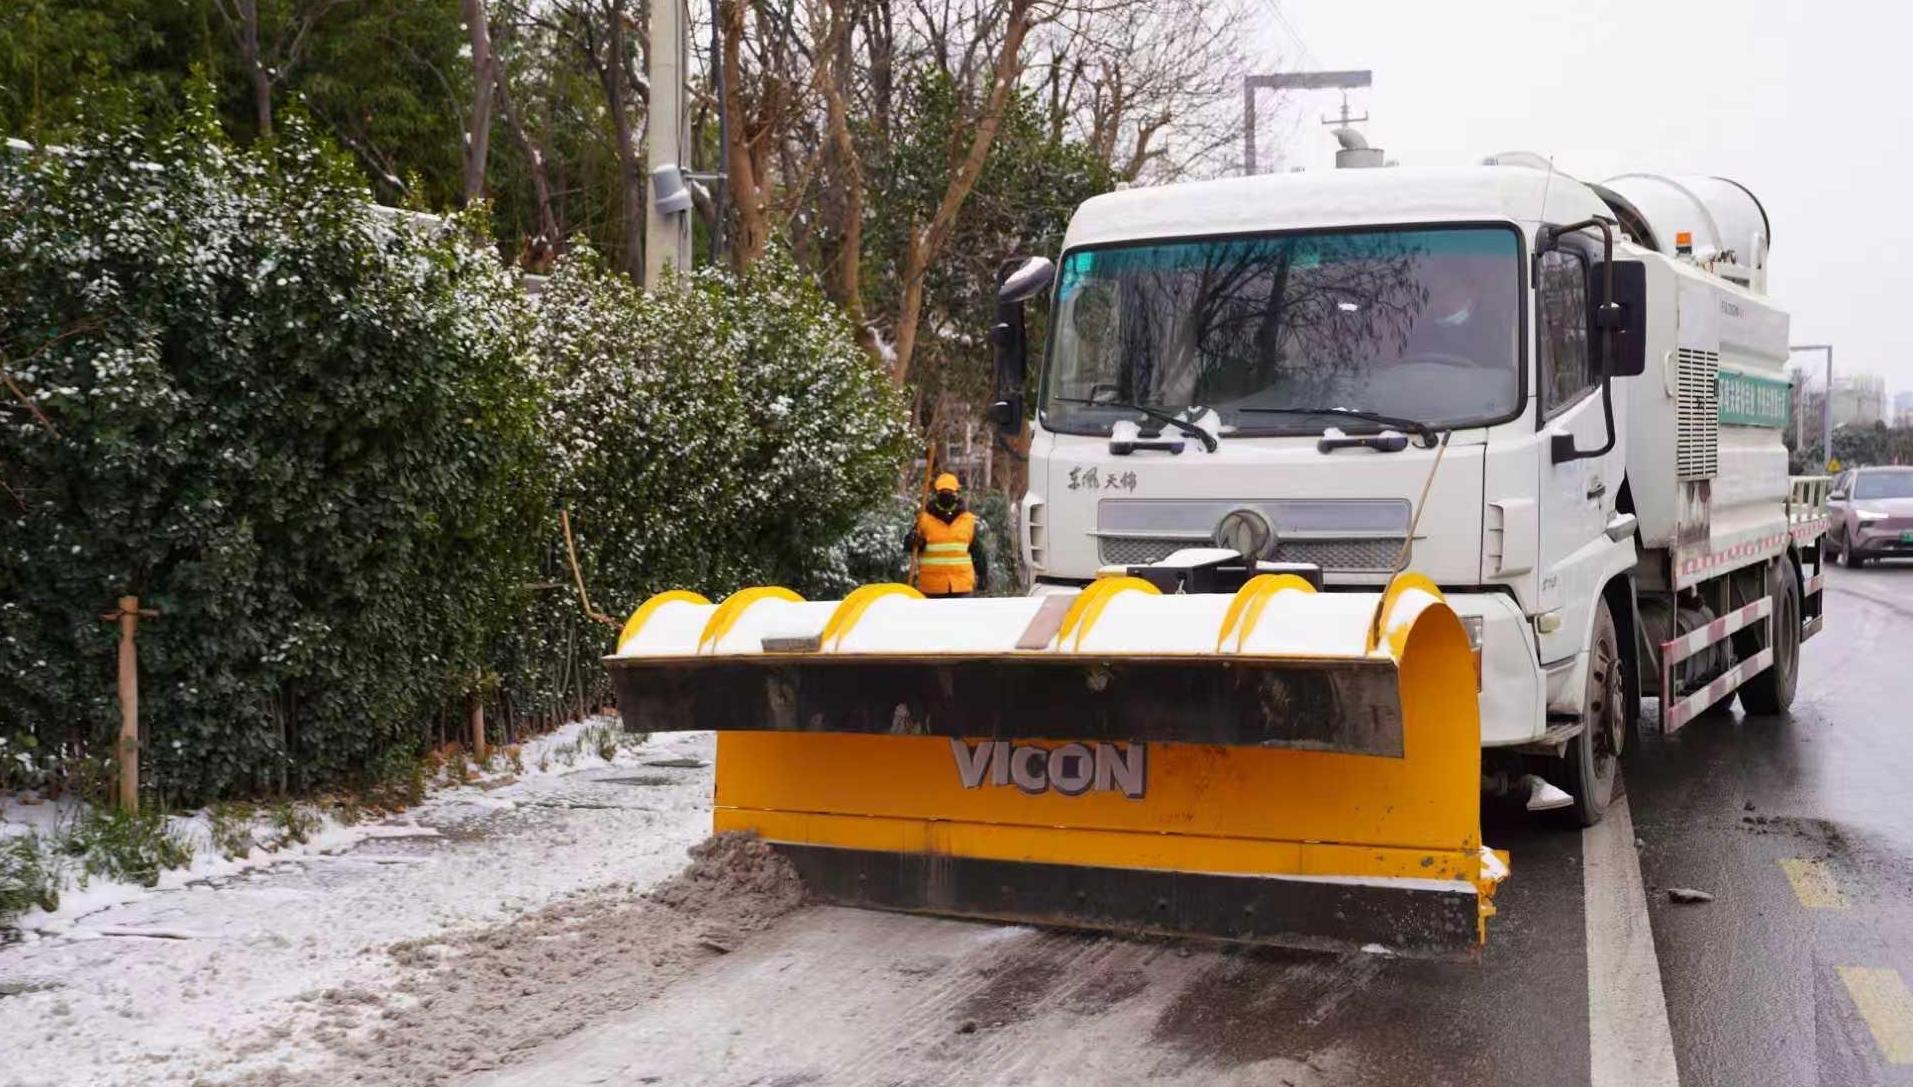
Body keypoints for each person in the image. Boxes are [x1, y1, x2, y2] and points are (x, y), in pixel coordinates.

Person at [907, 473, 989, 597]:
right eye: (943, 491)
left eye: (950, 491)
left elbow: (976, 550)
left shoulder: (967, 520)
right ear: (936, 494)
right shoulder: (924, 519)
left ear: (956, 493)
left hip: (961, 586)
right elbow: (909, 544)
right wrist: (914, 541)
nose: (946, 495)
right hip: (932, 587)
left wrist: (983, 574)